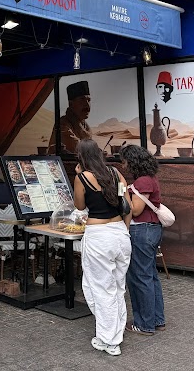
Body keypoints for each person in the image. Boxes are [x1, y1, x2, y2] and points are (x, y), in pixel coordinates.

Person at [73, 139, 132, 357]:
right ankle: (115, 332)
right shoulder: (116, 174)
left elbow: (79, 206)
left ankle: (110, 340)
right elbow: (128, 206)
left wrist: (79, 174)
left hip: (98, 236)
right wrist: (125, 231)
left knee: (100, 288)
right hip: (120, 234)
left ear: (81, 157)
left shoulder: (82, 178)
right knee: (118, 286)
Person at [122, 145, 165, 337]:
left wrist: (124, 193)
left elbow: (136, 210)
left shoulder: (143, 181)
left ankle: (144, 324)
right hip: (151, 230)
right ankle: (157, 320)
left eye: (125, 162)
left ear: (133, 162)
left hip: (142, 230)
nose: (123, 166)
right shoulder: (150, 178)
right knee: (150, 276)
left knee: (140, 278)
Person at [49, 81, 93, 155]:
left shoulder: (86, 128)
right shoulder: (62, 124)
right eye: (82, 100)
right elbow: (76, 147)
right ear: (71, 104)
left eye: (88, 100)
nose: (87, 105)